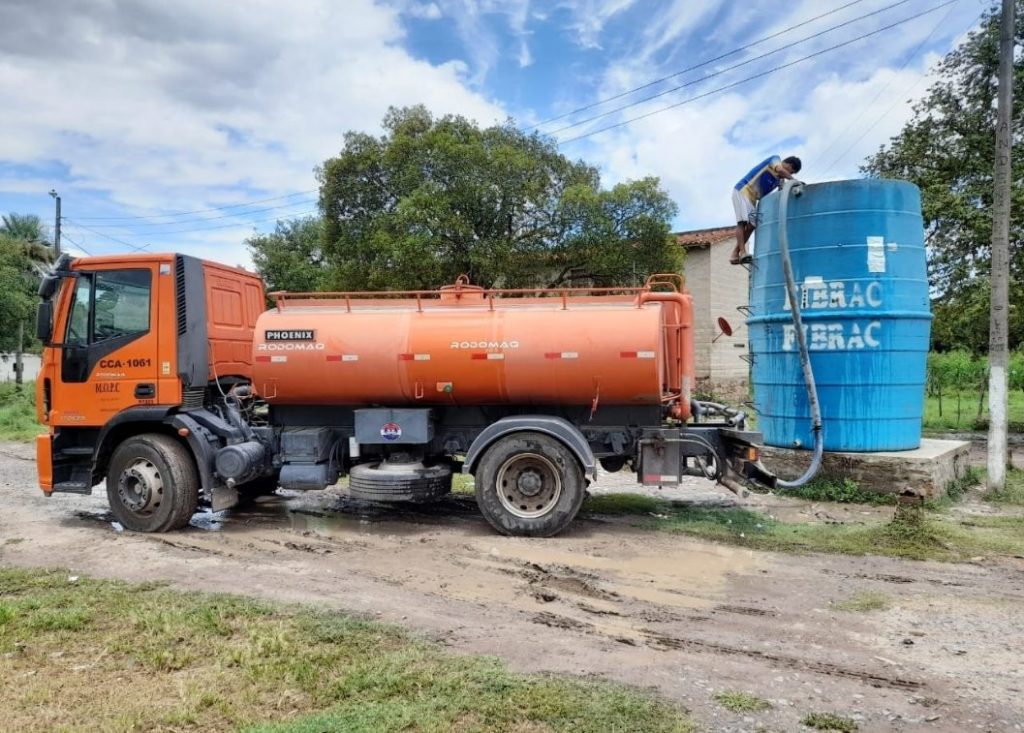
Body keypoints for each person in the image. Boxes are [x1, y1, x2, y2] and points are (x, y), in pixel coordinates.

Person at [730, 155, 802, 265]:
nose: (789, 174)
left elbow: (782, 191)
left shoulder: (780, 179)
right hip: (743, 190)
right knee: (742, 223)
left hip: (752, 199)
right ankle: (742, 252)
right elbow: (780, 170)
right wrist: (795, 181)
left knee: (752, 225)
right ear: (789, 165)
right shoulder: (775, 160)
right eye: (791, 172)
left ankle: (735, 253)